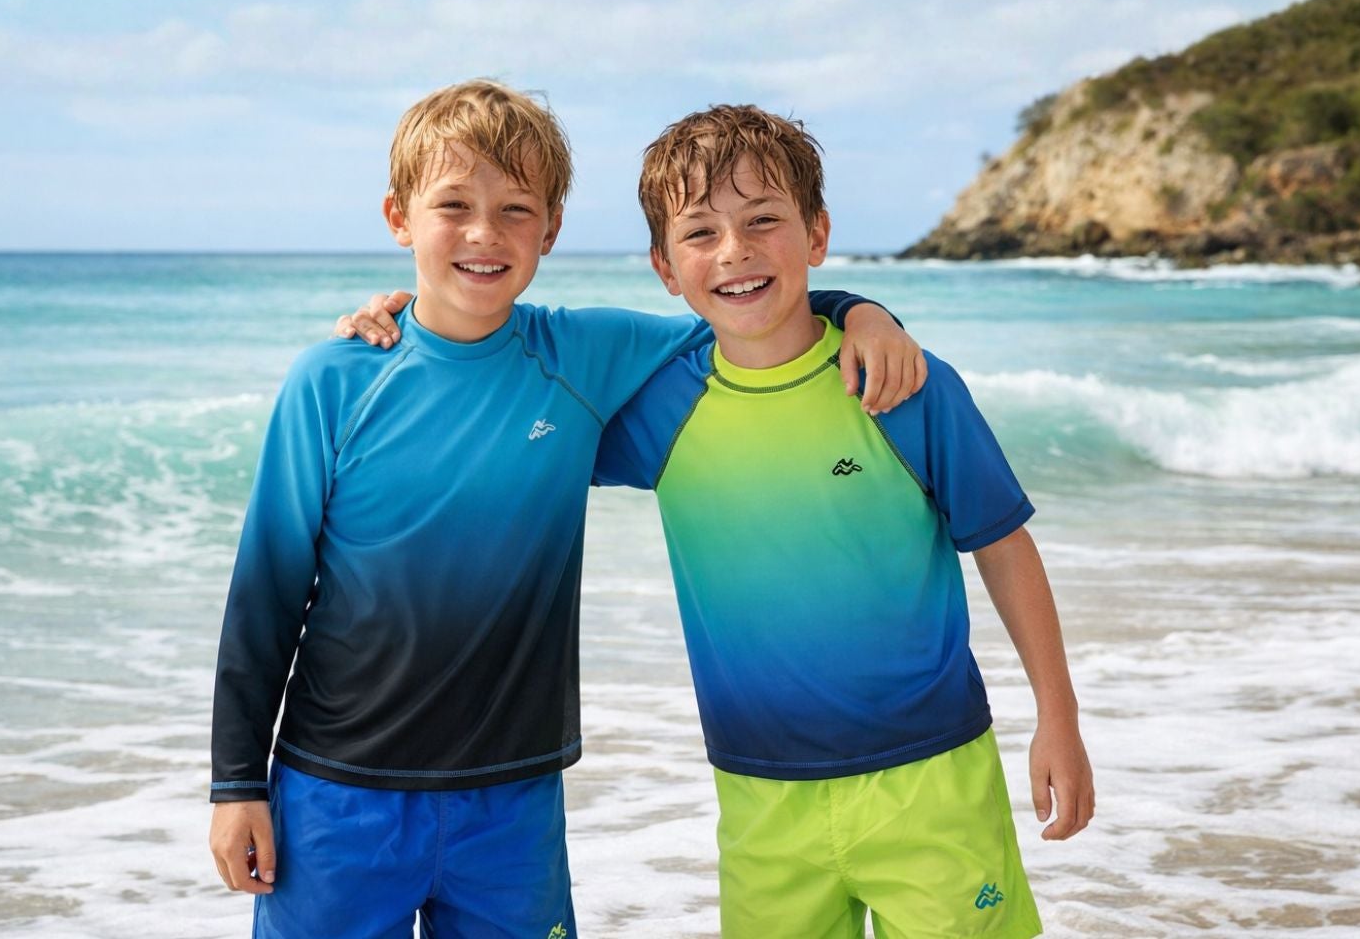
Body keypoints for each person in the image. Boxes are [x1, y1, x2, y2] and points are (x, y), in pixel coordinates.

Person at [208, 79, 925, 939]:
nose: (484, 233)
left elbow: (745, 313)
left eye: (517, 210)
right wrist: (236, 785)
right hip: (336, 796)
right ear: (400, 218)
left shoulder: (580, 355)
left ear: (550, 230)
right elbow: (267, 594)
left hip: (513, 805)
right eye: (453, 206)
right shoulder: (332, 381)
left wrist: (861, 310)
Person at [594, 104, 1095, 938]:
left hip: (932, 780)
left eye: (764, 221)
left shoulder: (903, 385)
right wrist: (403, 323)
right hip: (760, 797)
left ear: (817, 233)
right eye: (701, 233)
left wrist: (1059, 717)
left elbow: (1004, 547)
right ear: (663, 267)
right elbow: (506, 393)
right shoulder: (657, 408)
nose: (735, 251)